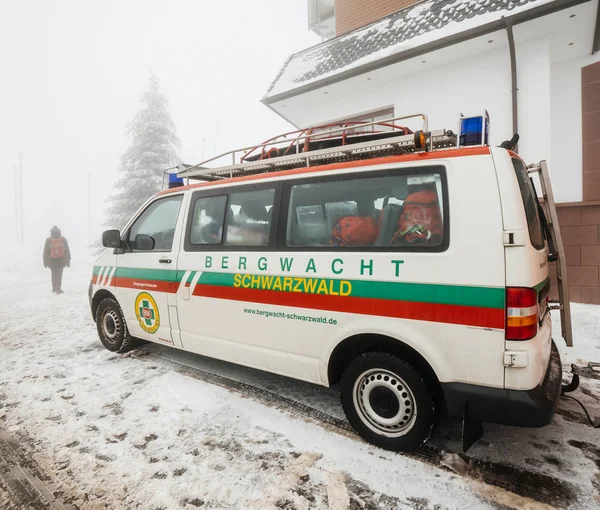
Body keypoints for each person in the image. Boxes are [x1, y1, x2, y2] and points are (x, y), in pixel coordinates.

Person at [43, 226, 71, 294]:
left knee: (53, 274)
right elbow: (67, 250)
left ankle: (54, 288)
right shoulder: (63, 239)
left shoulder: (48, 240)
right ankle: (58, 288)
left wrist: (45, 261)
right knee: (59, 274)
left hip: (51, 260)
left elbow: (45, 251)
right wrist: (68, 260)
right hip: (61, 260)